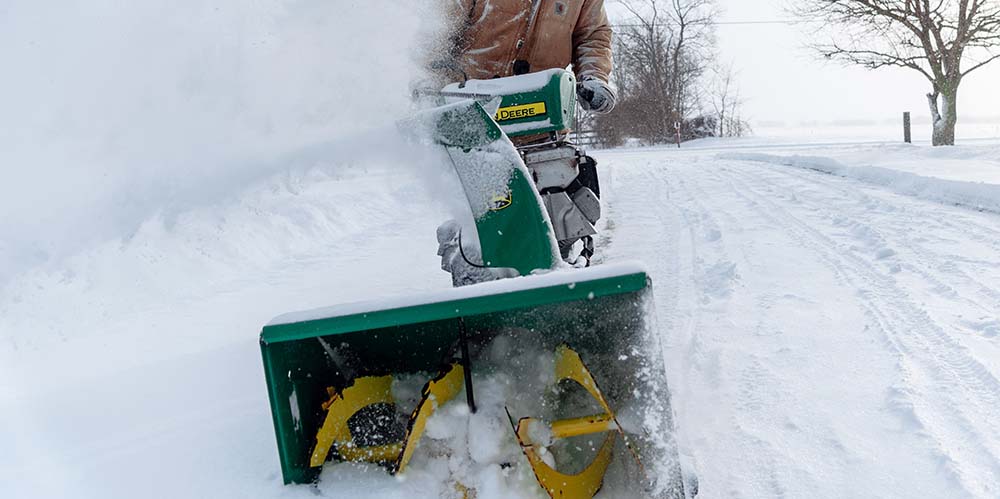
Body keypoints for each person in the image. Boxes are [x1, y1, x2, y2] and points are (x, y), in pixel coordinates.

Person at [437, 0, 617, 114]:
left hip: (544, 117)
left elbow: (593, 35)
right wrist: (428, 76)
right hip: (469, 111)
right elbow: (436, 30)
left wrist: (593, 76)